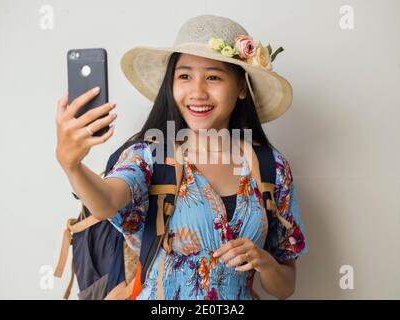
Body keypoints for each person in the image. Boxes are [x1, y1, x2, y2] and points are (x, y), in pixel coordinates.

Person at [55, 14, 308, 300]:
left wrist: (264, 261)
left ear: (240, 88)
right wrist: (72, 165)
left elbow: (285, 287)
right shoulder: (151, 155)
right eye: (185, 76)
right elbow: (107, 202)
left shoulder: (270, 167)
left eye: (213, 77)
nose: (197, 92)